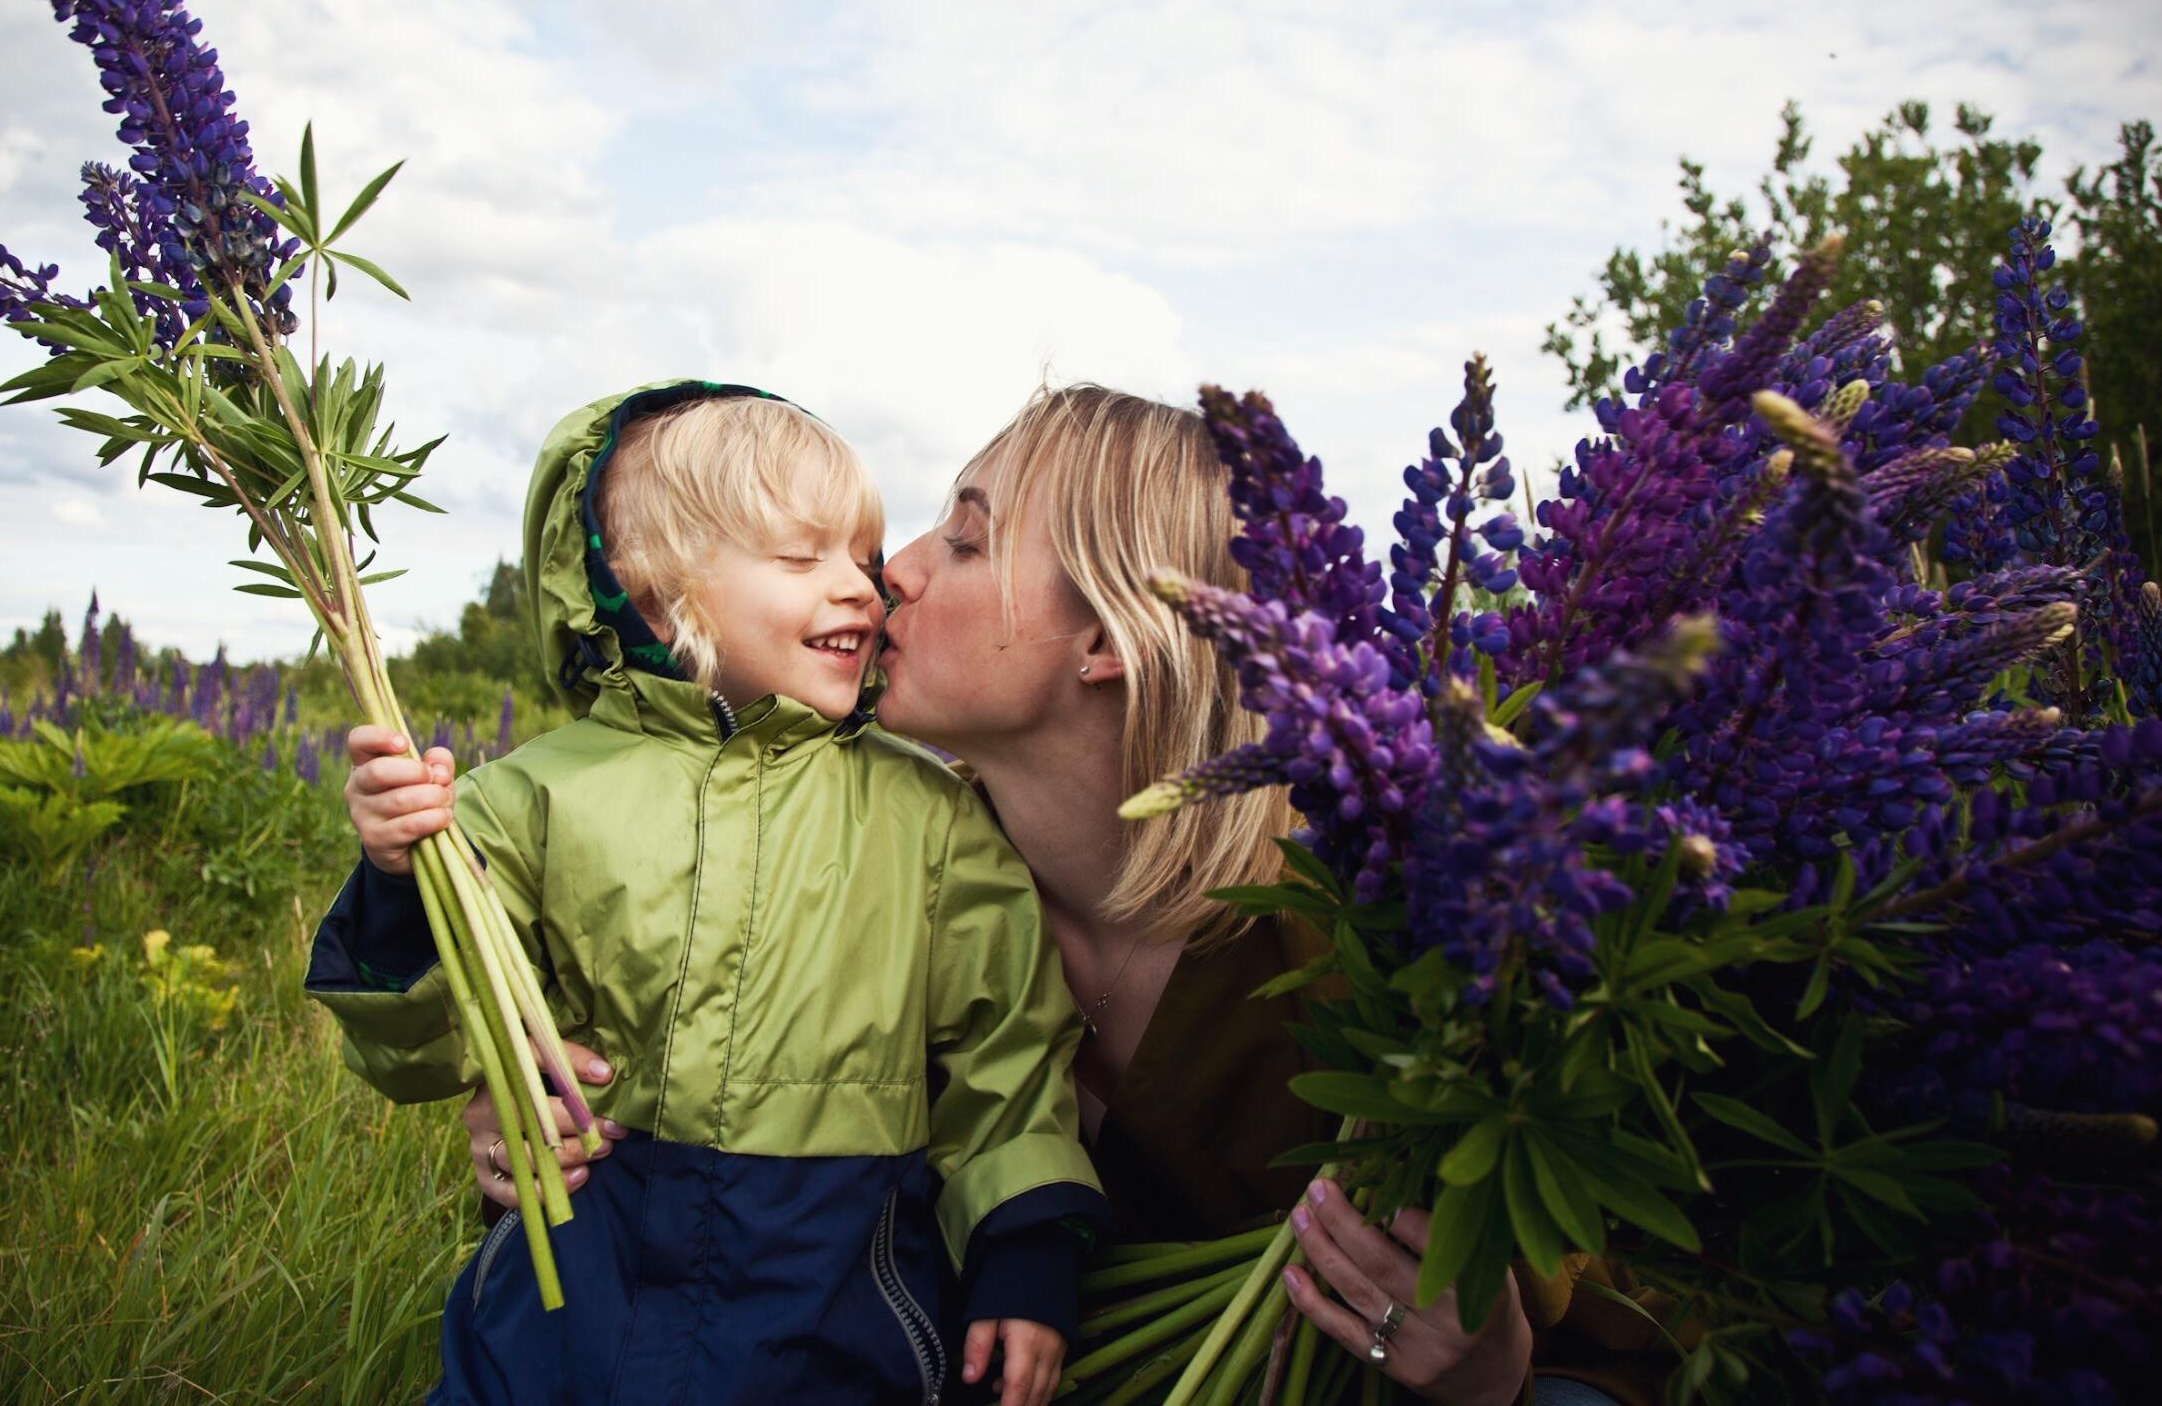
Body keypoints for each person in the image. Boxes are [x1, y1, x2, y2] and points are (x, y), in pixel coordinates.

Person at [447, 386, 1664, 1405]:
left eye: (965, 540)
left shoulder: (1344, 928)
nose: (893, 571)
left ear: (1110, 641)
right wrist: (521, 1097)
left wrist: (1484, 1361)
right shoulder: (887, 873)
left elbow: (1554, 1306)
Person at [307, 382, 1109, 1406]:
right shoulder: (531, 796)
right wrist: (397, 876)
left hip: (832, 1311)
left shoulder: (930, 820)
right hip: (571, 1305)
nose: (864, 588)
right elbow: (421, 1047)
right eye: (800, 556)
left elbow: (1008, 1055)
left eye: (861, 558)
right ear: (655, 587)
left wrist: (1026, 1252)